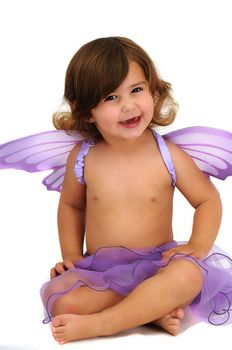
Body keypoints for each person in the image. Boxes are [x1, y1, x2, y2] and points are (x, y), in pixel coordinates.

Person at [39, 36, 232, 345]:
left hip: (160, 263)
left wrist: (197, 247)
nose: (128, 105)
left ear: (153, 91)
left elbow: (207, 199)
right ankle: (150, 311)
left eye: (136, 90)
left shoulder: (168, 154)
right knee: (62, 299)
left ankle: (105, 323)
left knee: (189, 276)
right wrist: (72, 255)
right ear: (86, 111)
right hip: (102, 271)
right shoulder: (84, 155)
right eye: (110, 98)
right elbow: (71, 206)